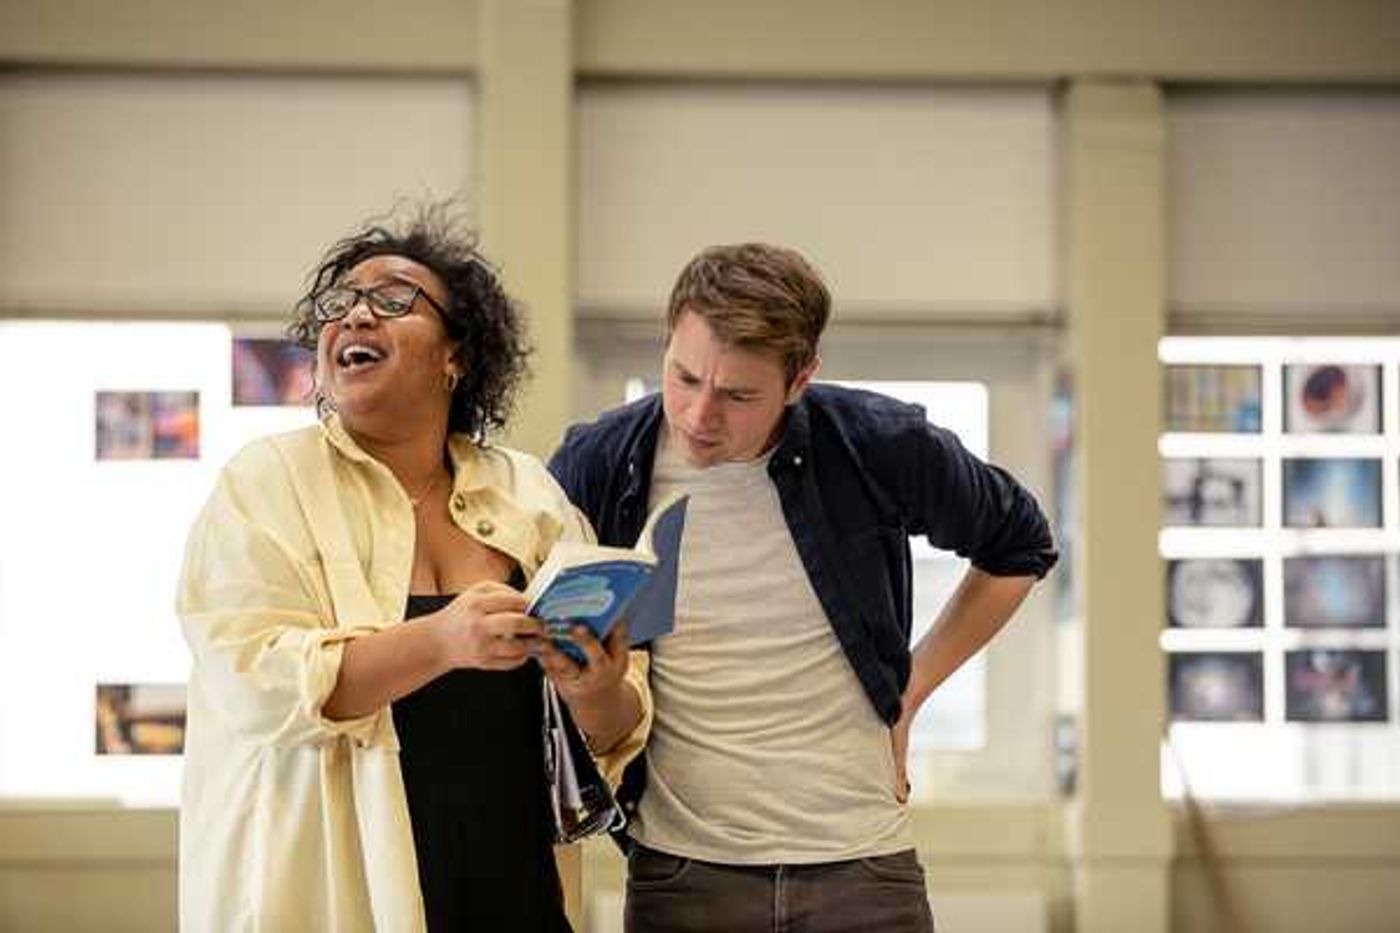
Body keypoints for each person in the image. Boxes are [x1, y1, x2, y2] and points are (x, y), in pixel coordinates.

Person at [548, 243, 1057, 933]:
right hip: (683, 871)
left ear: (800, 379)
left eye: (738, 395)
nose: (699, 415)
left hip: (862, 866)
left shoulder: (878, 444)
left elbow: (1021, 543)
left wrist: (909, 694)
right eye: (684, 376)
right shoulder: (599, 462)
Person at [176, 207, 651, 933]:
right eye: (338, 304)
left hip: (519, 893)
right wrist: (439, 641)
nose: (355, 315)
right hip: (337, 897)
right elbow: (255, 683)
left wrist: (595, 688)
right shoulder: (267, 481)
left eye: (394, 300)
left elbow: (615, 728)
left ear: (456, 354)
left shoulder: (528, 494)